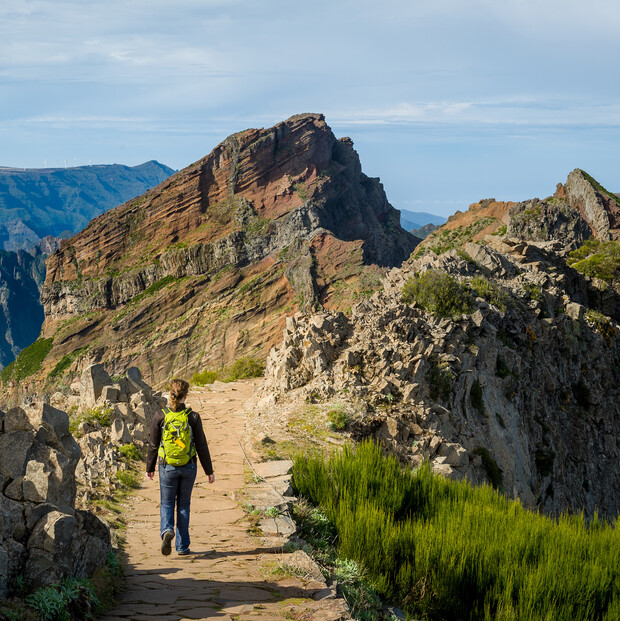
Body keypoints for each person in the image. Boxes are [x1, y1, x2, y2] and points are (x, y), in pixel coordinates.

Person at [146, 378, 215, 556]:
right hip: (189, 466)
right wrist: (209, 471)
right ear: (186, 396)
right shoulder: (193, 417)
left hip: (166, 466)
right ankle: (183, 546)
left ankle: (167, 530)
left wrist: (150, 468)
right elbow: (201, 445)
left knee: (167, 503)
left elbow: (153, 445)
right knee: (184, 505)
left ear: (170, 393)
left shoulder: (160, 416)